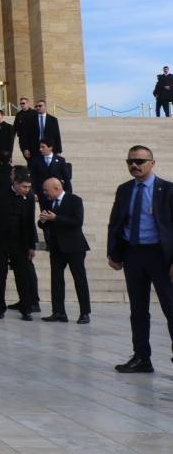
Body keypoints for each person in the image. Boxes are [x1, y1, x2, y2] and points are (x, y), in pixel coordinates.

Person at [108, 146, 173, 373]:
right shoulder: (124, 189)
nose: (134, 165)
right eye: (130, 161)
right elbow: (115, 222)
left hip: (161, 256)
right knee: (138, 309)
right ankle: (142, 357)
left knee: (170, 307)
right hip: (133, 254)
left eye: (139, 161)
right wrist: (113, 253)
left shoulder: (168, 190)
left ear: (152, 163)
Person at [38, 176, 90, 324]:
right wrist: (42, 221)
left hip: (74, 246)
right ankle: (59, 312)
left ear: (56, 188)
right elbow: (44, 223)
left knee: (79, 279)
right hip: (56, 247)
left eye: (46, 190)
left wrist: (56, 218)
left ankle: (85, 313)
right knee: (56, 280)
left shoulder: (74, 200)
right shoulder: (48, 202)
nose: (44, 193)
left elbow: (77, 222)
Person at [0, 167, 38, 320]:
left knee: (22, 275)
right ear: (15, 184)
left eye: (29, 187)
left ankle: (26, 309)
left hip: (20, 243)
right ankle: (0, 308)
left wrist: (32, 245)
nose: (27, 190)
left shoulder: (29, 198)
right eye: (24, 187)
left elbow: (30, 222)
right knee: (0, 275)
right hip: (0, 242)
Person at [13, 97, 37, 161]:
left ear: (28, 103)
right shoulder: (19, 114)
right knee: (28, 160)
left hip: (34, 141)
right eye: (20, 103)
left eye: (23, 103)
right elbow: (15, 128)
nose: (22, 105)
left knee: (35, 161)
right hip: (23, 141)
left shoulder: (35, 113)